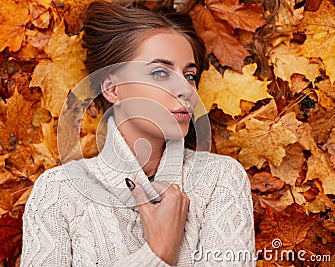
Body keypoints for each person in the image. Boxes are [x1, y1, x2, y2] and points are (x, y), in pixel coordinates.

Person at [20, 1, 255, 266]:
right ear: (112, 88)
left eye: (190, 75)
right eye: (160, 72)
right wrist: (158, 253)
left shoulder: (220, 180)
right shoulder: (58, 193)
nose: (187, 90)